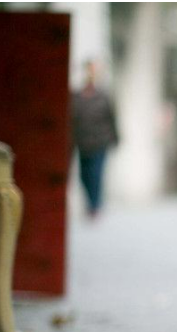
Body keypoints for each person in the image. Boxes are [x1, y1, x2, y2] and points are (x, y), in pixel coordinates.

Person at [71, 60, 119, 218]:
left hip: (100, 141)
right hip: (82, 142)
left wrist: (115, 138)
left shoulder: (103, 96)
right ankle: (90, 203)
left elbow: (112, 119)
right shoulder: (77, 96)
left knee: (96, 174)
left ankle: (95, 205)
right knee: (84, 175)